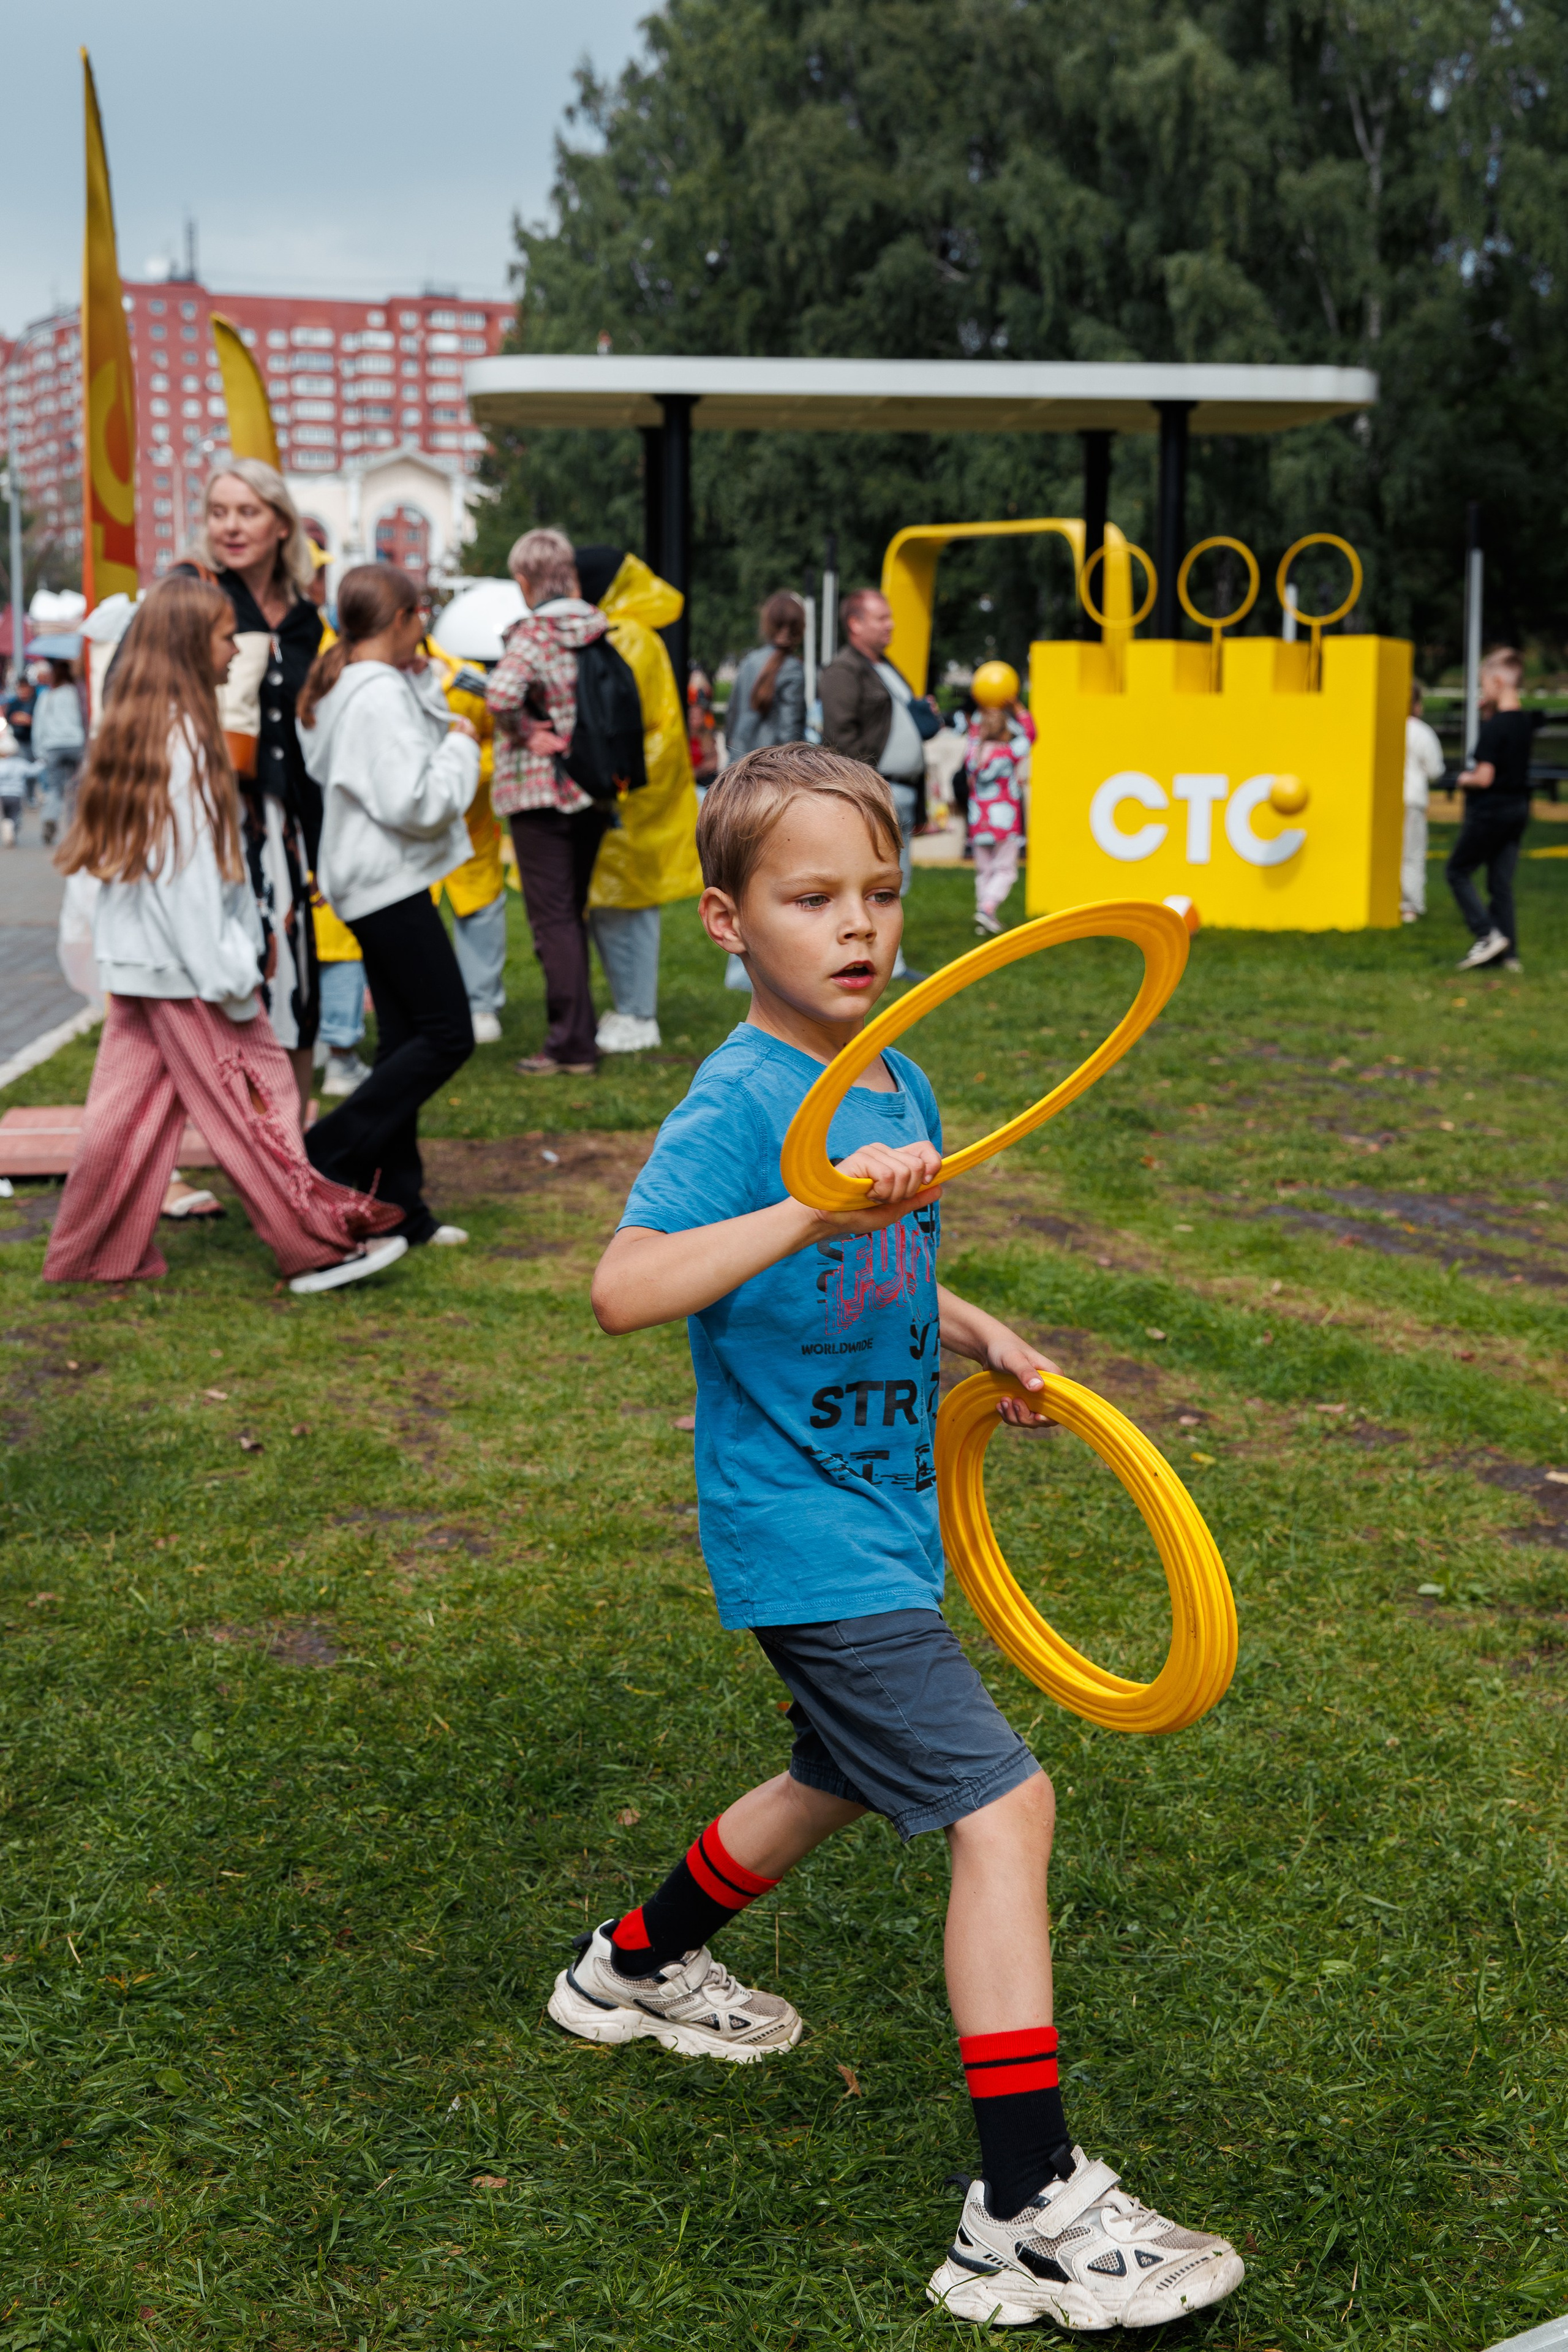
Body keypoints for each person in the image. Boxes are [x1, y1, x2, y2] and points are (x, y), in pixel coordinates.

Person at [552, 742, 1245, 2334]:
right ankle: (1025, 2208)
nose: (859, 926)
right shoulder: (745, 1103)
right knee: (1004, 1807)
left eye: (882, 893)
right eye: (814, 900)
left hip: (883, 1505)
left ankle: (635, 1968)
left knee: (840, 1774)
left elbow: (873, 1278)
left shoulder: (898, 1076)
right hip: (803, 1528)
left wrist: (979, 1332)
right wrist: (810, 1204)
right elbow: (623, 1289)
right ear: (727, 922)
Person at [42, 575, 406, 1295]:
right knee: (256, 1105)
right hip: (193, 971)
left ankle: (91, 1254)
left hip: (148, 966)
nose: (234, 649)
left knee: (127, 1118)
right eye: (219, 636)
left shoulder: (142, 729)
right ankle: (315, 1247)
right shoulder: (182, 741)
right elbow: (187, 886)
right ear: (186, 647)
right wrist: (232, 974)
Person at [296, 562, 480, 1250]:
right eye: (421, 612)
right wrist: (461, 749)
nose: (427, 624)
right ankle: (328, 1149)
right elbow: (416, 802)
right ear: (400, 618)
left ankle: (399, 1203)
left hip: (369, 882)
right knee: (446, 1035)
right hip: (388, 882)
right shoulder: (374, 694)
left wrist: (428, 698)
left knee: (406, 1042)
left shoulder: (353, 683)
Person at [173, 461, 325, 1117]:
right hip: (207, 812)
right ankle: (181, 1149)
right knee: (205, 977)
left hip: (283, 823)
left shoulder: (304, 618)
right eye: (218, 511)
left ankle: (291, 1145)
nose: (230, 526)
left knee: (291, 976)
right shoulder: (192, 591)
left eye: (247, 511)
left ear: (281, 523)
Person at [485, 527, 614, 1077]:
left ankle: (569, 1046)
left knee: (553, 921)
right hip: (590, 786)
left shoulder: (534, 634)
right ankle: (578, 1033)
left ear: (524, 580)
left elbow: (500, 694)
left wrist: (521, 732)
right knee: (570, 916)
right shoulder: (597, 627)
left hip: (540, 791)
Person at [575, 543, 701, 1055]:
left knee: (627, 908)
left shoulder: (627, 639)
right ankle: (630, 1008)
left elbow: (626, 723)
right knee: (616, 906)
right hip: (633, 792)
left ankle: (637, 1014)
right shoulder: (633, 635)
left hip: (627, 796)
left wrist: (612, 782)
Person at [819, 587, 938, 979]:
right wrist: (864, 789)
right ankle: (874, 961)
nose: (891, 625)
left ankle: (889, 960)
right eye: (881, 618)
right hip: (875, 791)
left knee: (894, 883)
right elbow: (840, 737)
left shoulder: (885, 666)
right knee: (872, 882)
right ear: (855, 624)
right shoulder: (842, 671)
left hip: (902, 790)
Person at [428, 637, 507, 1046]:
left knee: (480, 911)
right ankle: (427, 1001)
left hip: (469, 824)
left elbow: (500, 736)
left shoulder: (468, 680)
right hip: (412, 828)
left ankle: (481, 1003)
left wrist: (468, 767)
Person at [1449, 646, 1548, 972]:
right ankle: (1509, 956)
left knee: (1458, 871)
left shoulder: (1494, 729)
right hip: (1519, 809)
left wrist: (1464, 779)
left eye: (1483, 684)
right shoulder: (1522, 723)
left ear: (1495, 681)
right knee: (1500, 882)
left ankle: (1486, 934)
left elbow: (1485, 776)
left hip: (1491, 810)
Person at [722, 592, 808, 767]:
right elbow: (790, 737)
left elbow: (732, 716)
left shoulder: (749, 661)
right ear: (801, 627)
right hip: (771, 771)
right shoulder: (792, 668)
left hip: (739, 766)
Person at [965, 706, 1026, 935]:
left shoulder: (972, 752)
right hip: (1004, 821)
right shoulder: (1009, 751)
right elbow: (1030, 735)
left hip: (978, 820)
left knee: (985, 870)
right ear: (1005, 730)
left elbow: (973, 731)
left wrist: (982, 708)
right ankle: (988, 907)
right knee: (1006, 870)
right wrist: (1018, 710)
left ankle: (984, 916)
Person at [1401, 683, 1445, 923]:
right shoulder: (1421, 732)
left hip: (1382, 800)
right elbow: (1435, 770)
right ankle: (1409, 906)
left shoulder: (1381, 725)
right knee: (1412, 854)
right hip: (1413, 798)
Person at [32, 657, 87, 846]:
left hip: (53, 746)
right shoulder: (76, 692)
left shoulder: (46, 696)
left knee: (54, 788)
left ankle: (51, 818)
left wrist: (39, 750)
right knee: (76, 787)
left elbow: (39, 725)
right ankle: (74, 825)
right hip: (76, 743)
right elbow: (84, 716)